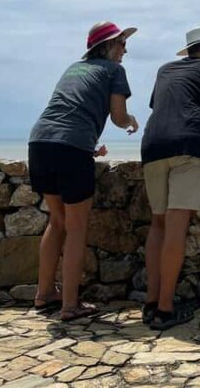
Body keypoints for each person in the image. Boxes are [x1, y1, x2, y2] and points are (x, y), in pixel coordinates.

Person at [29, 21, 139, 321]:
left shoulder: (73, 68)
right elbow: (117, 117)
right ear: (106, 46)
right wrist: (132, 120)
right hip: (70, 148)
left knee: (58, 221)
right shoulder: (114, 71)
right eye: (121, 43)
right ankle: (70, 305)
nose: (125, 48)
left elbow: (68, 111)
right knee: (76, 226)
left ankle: (43, 293)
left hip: (40, 143)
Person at [141, 27, 200, 330]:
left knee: (158, 223)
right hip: (188, 145)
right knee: (176, 228)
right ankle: (165, 310)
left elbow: (161, 107)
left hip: (152, 145)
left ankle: (151, 301)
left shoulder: (165, 69)